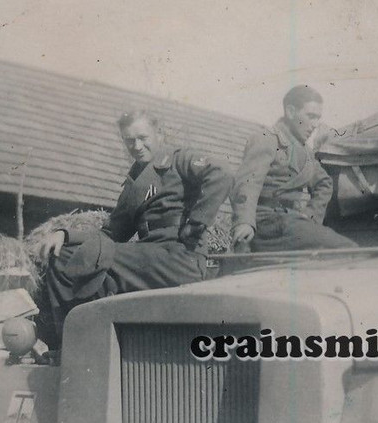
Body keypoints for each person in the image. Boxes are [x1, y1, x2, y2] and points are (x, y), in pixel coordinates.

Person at [34, 110, 233, 350]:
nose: (137, 146)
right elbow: (109, 235)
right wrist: (65, 235)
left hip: (180, 258)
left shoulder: (178, 160)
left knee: (82, 260)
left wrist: (196, 222)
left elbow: (221, 172)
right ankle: (79, 346)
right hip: (148, 258)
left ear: (159, 133)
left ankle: (74, 347)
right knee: (64, 257)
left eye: (143, 138)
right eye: (129, 140)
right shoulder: (133, 184)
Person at [230, 85, 355, 252]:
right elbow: (247, 183)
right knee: (345, 248)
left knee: (344, 248)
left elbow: (324, 183)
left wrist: (309, 216)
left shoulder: (306, 152)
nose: (315, 124)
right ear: (290, 112)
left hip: (291, 221)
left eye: (318, 118)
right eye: (310, 116)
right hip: (266, 222)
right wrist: (244, 221)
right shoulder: (266, 139)